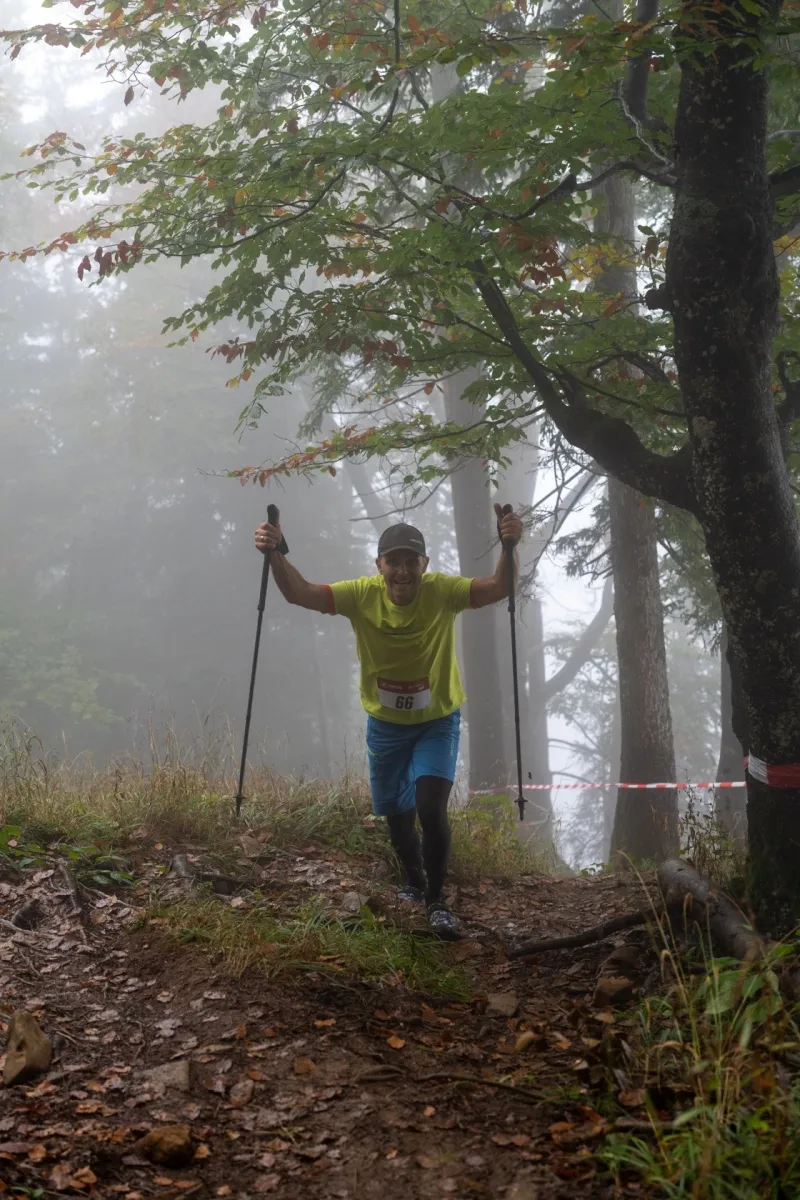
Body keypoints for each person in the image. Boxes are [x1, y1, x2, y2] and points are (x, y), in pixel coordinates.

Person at [254, 505, 522, 939]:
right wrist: (275, 553)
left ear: (424, 565)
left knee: (431, 809)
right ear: (379, 565)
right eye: (392, 561)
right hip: (385, 726)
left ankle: (437, 901)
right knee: (397, 816)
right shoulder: (361, 595)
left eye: (410, 561)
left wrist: (509, 545)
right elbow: (299, 592)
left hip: (437, 721)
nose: (402, 571)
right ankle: (413, 883)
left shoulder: (442, 591)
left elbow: (498, 587)